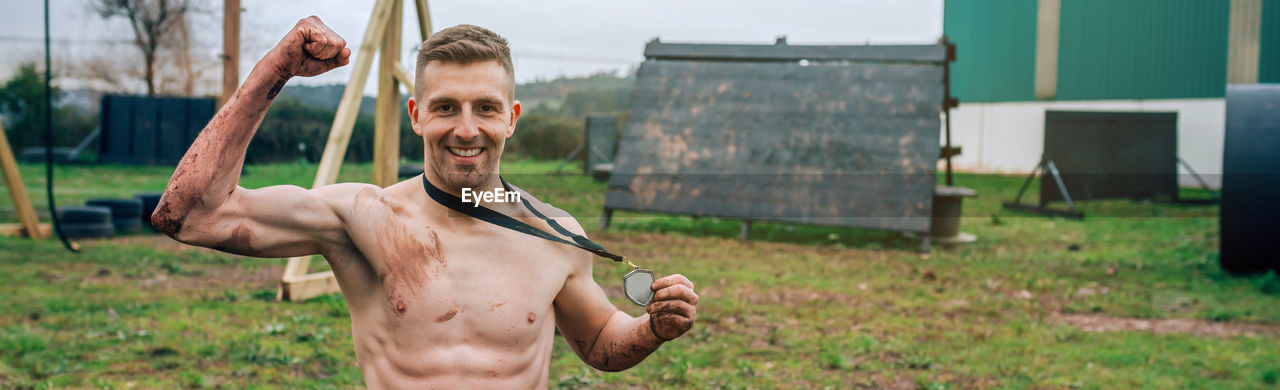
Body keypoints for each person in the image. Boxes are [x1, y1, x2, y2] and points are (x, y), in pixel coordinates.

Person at [152, 16, 699, 388]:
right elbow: (191, 215)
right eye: (445, 108)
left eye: (485, 108)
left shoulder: (557, 234)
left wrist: (653, 327)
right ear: (416, 116)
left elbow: (601, 340)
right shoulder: (360, 218)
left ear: (511, 118)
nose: (466, 129)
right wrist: (274, 71)